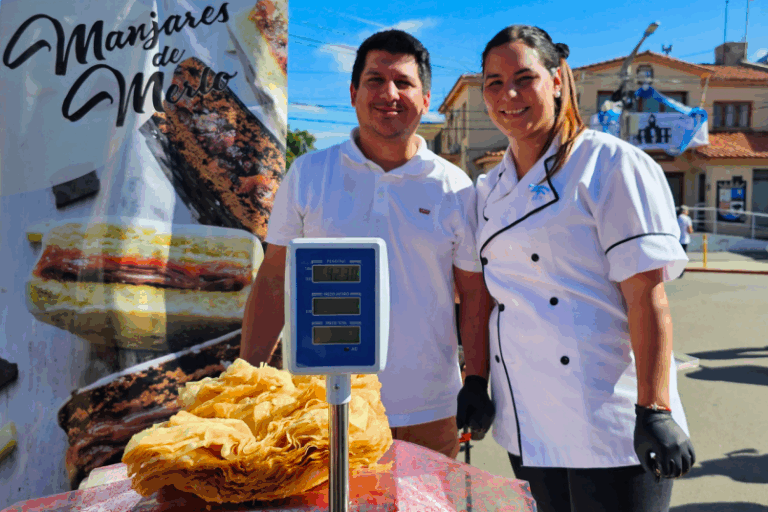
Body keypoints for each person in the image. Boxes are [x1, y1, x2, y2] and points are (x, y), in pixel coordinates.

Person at [471, 25, 696, 511]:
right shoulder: (488, 190)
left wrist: (654, 409)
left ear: (557, 80)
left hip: (612, 420)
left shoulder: (611, 164)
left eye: (523, 78)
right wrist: (474, 381)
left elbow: (646, 296)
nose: (508, 94)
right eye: (493, 82)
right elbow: (490, 298)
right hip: (527, 419)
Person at [240, 29, 494, 459]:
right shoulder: (308, 174)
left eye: (404, 83)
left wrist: (476, 381)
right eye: (375, 80)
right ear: (353, 91)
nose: (389, 93)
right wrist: (247, 378)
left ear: (426, 98)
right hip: (321, 411)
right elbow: (273, 283)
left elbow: (473, 294)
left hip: (429, 412)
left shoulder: (455, 187)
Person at [677, 206, 694, 277]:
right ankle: (681, 272)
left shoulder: (677, 218)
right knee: (683, 257)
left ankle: (677, 271)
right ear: (684, 211)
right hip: (685, 240)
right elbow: (690, 230)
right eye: (687, 211)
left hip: (678, 240)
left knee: (678, 257)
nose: (688, 212)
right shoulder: (687, 219)